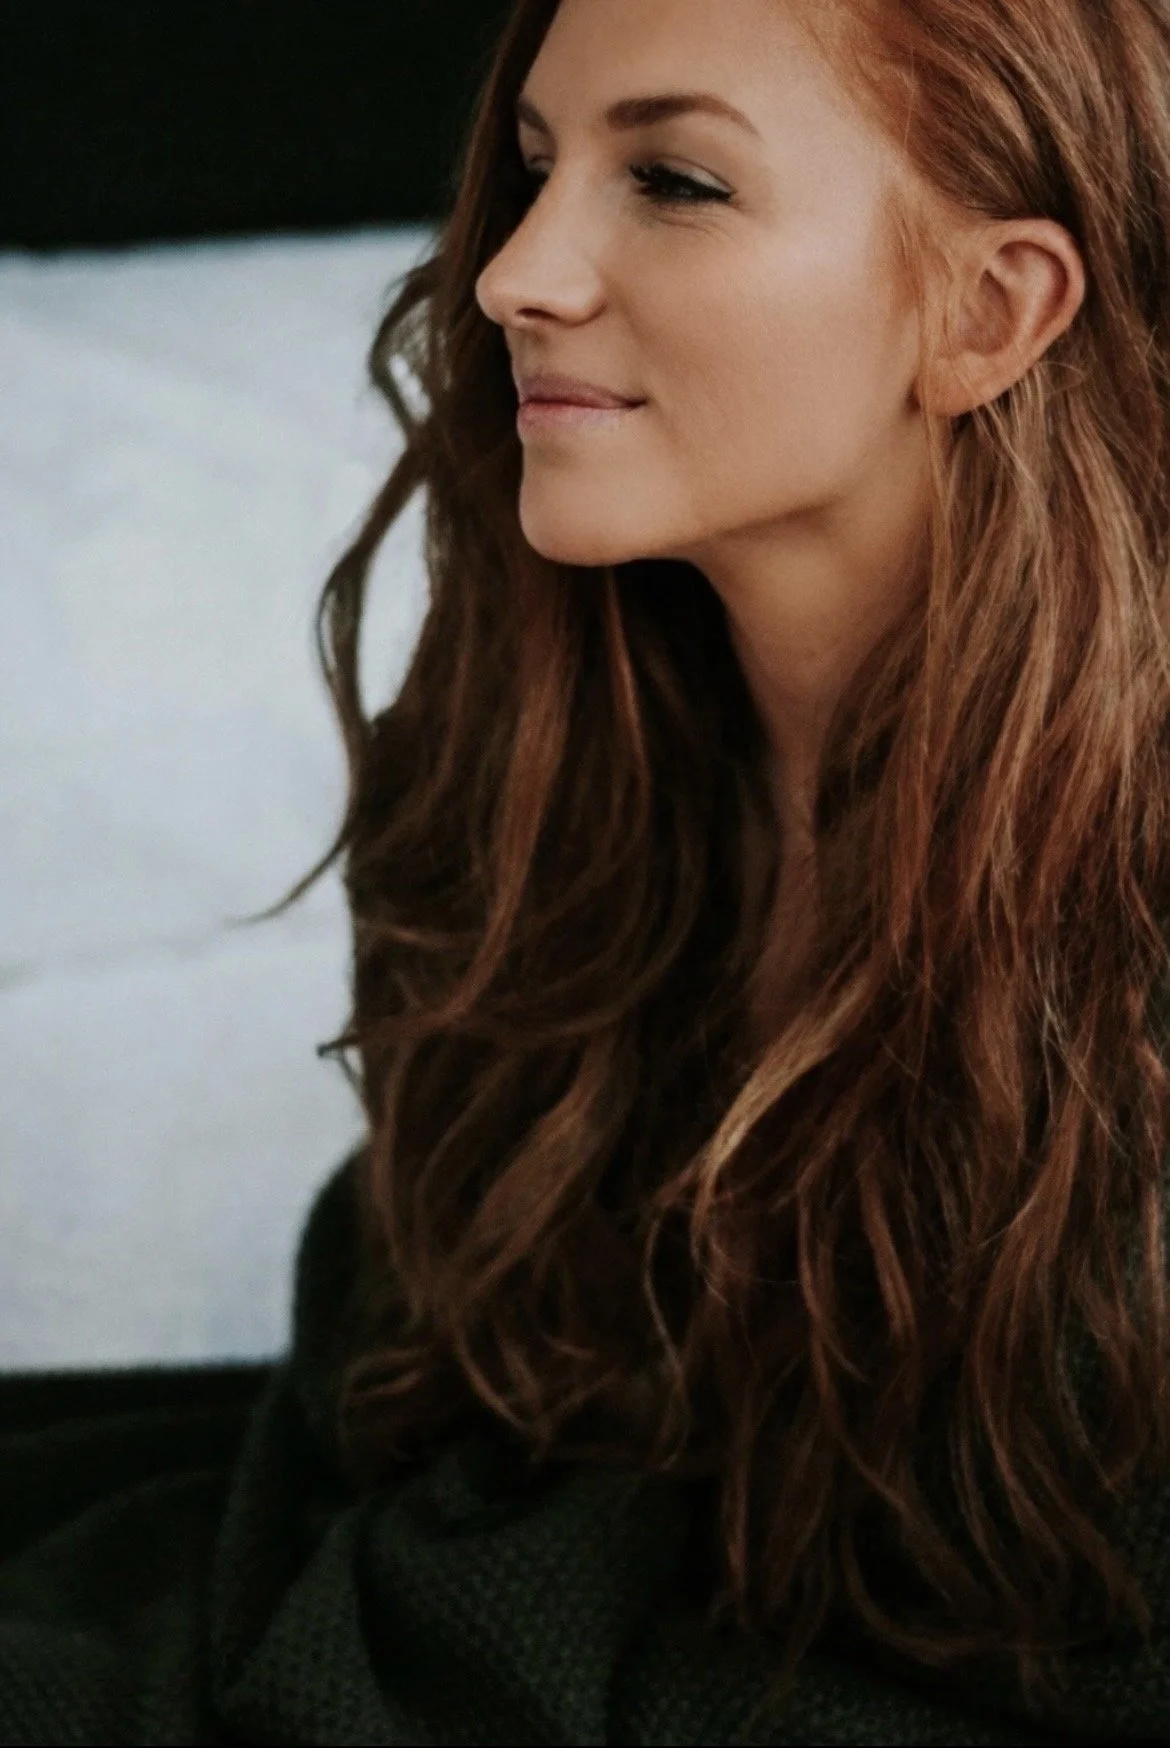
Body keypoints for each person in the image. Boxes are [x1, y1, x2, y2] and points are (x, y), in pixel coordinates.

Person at [5, 0, 1170, 1741]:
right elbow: (432, 1335)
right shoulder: (549, 747)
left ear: (988, 309)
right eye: (535, 167)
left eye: (675, 182)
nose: (512, 273)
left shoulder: (1127, 934)